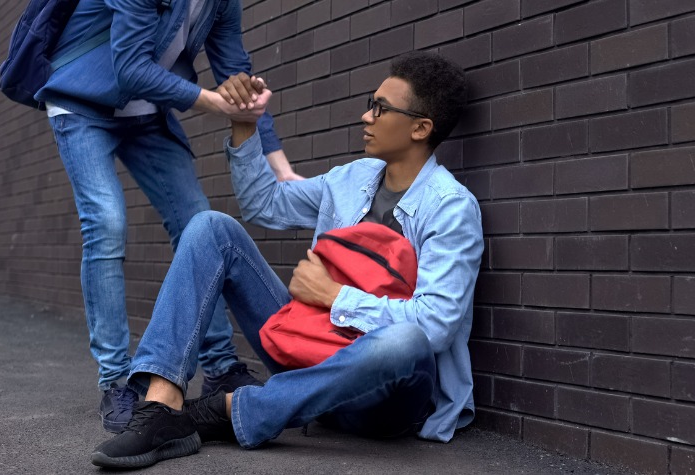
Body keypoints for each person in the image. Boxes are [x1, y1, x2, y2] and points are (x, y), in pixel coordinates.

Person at [90, 51, 484, 469]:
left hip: (383, 398)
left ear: (421, 128)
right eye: (371, 103)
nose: (366, 117)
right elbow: (265, 205)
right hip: (309, 348)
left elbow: (437, 324)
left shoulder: (450, 208)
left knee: (405, 341)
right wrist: (245, 125)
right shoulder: (352, 178)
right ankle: (163, 407)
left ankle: (228, 410)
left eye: (380, 108)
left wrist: (334, 296)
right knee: (210, 227)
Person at [34, 0, 302, 433]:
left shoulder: (221, 4)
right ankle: (117, 381)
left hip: (147, 114)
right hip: (81, 103)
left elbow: (235, 69)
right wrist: (214, 103)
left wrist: (280, 165)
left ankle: (219, 369)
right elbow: (131, 68)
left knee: (197, 221)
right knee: (106, 223)